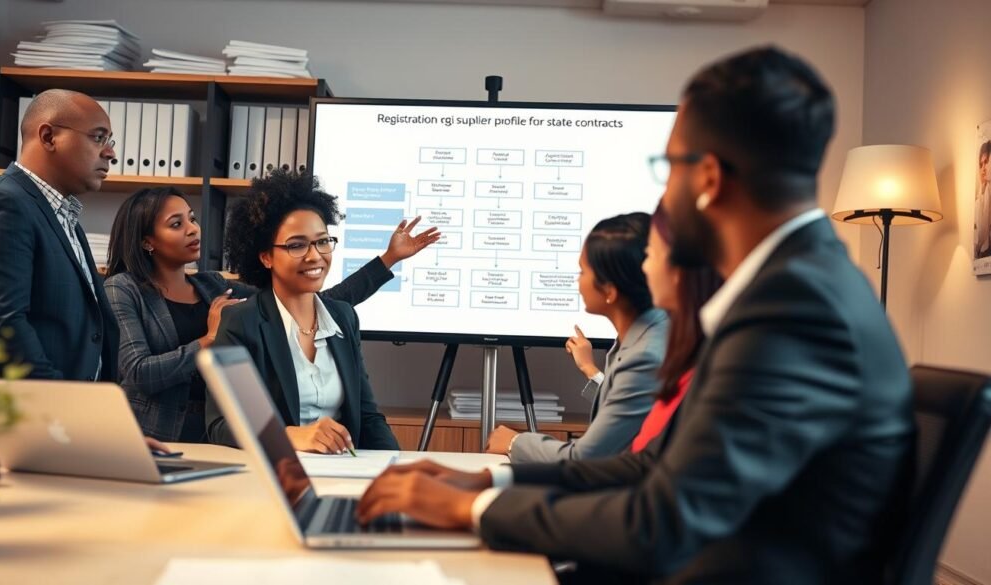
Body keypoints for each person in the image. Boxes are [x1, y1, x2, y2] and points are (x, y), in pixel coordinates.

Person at [355, 46, 914, 584]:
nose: (664, 194)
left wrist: (475, 509)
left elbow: (662, 524)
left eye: (669, 169)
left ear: (709, 180)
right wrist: (489, 476)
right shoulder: (796, 287)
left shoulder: (792, 313)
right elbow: (654, 468)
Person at [104, 185, 439, 443]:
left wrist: (386, 261)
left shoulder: (210, 285)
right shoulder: (124, 289)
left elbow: (301, 300)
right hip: (160, 435)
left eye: (192, 218)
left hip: (216, 438)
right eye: (177, 224)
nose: (193, 229)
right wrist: (206, 341)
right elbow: (136, 373)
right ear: (147, 241)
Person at [205, 170, 400, 453]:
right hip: (278, 474)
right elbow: (220, 425)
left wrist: (399, 464)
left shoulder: (343, 317)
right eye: (297, 245)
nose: (315, 255)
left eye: (322, 241)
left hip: (343, 471)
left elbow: (368, 417)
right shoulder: (242, 322)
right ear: (266, 257)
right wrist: (290, 436)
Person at [485, 213, 669, 462]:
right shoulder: (646, 333)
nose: (577, 281)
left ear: (609, 290)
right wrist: (589, 369)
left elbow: (585, 458)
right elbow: (624, 406)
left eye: (582, 271)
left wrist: (515, 442)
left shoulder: (646, 354)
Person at [0, 89, 118, 382]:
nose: (110, 152)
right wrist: (59, 402)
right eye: (98, 137)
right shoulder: (5, 204)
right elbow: (2, 324)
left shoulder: (65, 215)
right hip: (42, 411)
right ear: (48, 137)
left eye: (110, 141)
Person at [629, 205, 722, 454]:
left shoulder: (713, 368)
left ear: (679, 270)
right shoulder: (685, 358)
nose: (645, 268)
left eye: (650, 254)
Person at [974, 140, 991, 258]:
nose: (983, 169)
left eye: (986, 162)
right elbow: (981, 232)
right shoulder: (985, 190)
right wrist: (982, 188)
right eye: (981, 165)